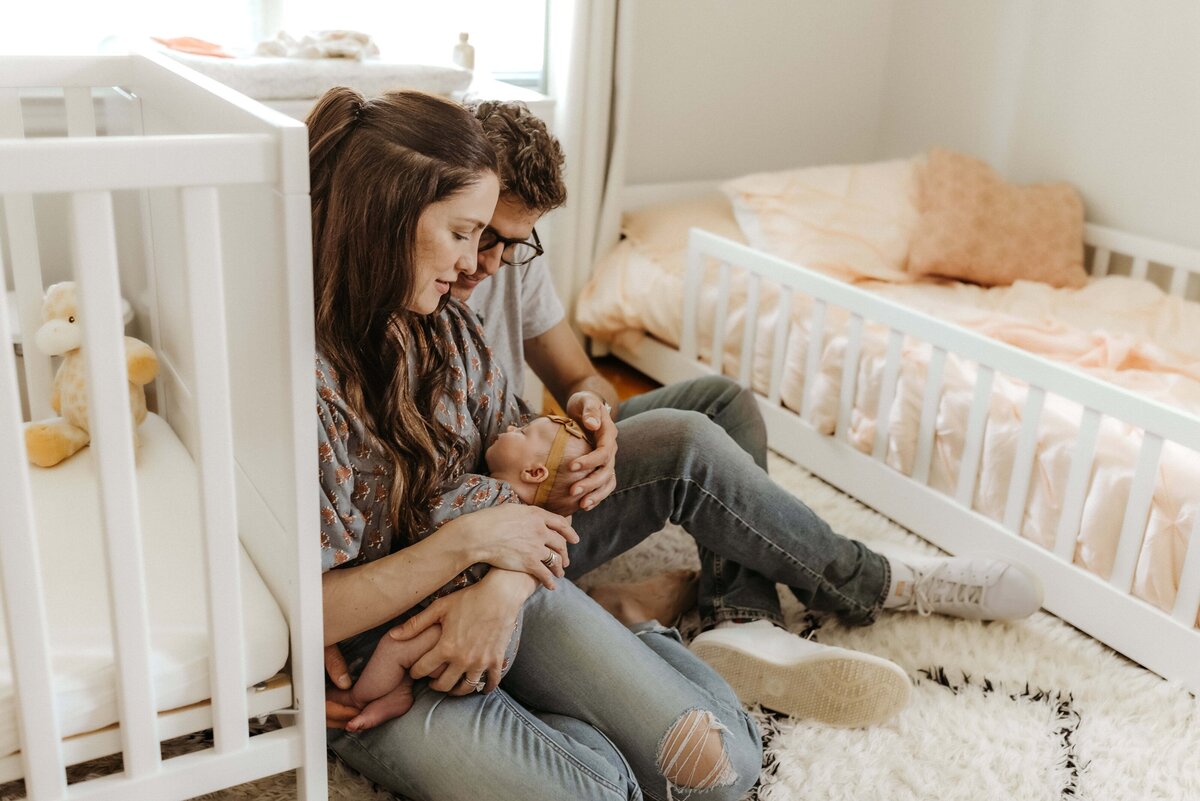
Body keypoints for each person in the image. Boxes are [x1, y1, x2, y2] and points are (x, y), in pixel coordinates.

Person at [432, 100, 1046, 724]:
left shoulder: (509, 260)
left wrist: (597, 416)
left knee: (722, 401)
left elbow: (578, 374)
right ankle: (874, 579)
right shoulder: (426, 277)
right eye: (483, 237)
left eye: (513, 245)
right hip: (505, 508)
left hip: (544, 453)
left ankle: (743, 617)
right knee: (686, 444)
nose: (489, 264)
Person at [312, 86, 765, 801]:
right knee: (599, 793)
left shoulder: (449, 332)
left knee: (722, 774)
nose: (474, 265)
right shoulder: (302, 375)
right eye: (464, 233)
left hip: (500, 587)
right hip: (373, 654)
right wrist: (469, 545)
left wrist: (504, 584)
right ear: (388, 217)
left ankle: (629, 645)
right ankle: (596, 691)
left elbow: (532, 482)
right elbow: (308, 607)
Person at [324, 415, 597, 733]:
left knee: (394, 646)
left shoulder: (489, 495)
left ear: (534, 472)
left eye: (521, 433)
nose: (509, 428)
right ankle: (400, 689)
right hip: (487, 635)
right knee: (402, 649)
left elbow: (433, 519)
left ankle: (358, 699)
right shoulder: (531, 517)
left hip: (465, 635)